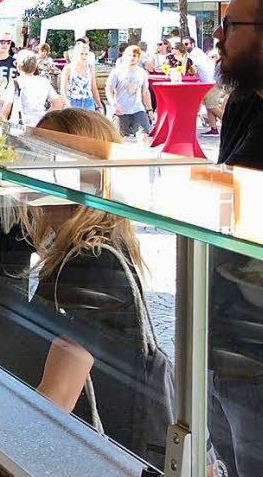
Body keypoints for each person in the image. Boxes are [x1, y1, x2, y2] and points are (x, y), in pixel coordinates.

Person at [24, 109, 174, 468]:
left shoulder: (90, 263)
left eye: (42, 156)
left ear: (83, 173)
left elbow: (57, 397)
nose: (26, 164)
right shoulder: (84, 248)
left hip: (90, 454)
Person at [209, 0, 263, 477]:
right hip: (229, 338)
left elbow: (218, 202)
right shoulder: (245, 103)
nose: (218, 36)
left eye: (230, 25)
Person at [6, 49, 64, 126]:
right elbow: (58, 105)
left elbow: (6, 109)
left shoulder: (15, 82)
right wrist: (44, 116)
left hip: (18, 125)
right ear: (35, 67)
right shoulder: (44, 82)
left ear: (18, 66)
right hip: (39, 124)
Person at [105, 46, 153, 136]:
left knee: (144, 135)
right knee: (119, 137)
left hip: (138, 109)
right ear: (124, 56)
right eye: (129, 55)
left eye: (134, 55)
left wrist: (149, 109)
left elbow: (145, 92)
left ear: (138, 58)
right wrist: (113, 104)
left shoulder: (142, 73)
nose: (132, 58)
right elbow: (109, 88)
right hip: (121, 110)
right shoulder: (117, 72)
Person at [183, 35, 224, 134]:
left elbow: (193, 70)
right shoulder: (194, 53)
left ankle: (232, 123)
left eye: (186, 44)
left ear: (193, 44)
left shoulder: (195, 54)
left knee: (212, 106)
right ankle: (213, 129)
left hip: (211, 82)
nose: (185, 46)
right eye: (183, 44)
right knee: (209, 105)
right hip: (209, 82)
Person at [60, 40, 102, 111]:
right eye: (81, 54)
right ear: (76, 54)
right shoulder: (68, 68)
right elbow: (63, 90)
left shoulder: (90, 68)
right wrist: (68, 105)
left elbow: (93, 87)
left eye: (86, 54)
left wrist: (99, 105)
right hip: (73, 102)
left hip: (88, 102)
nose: (84, 56)